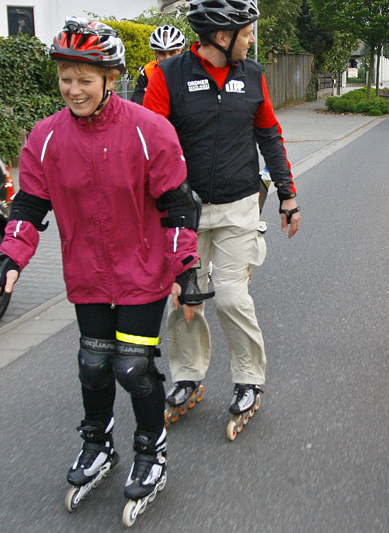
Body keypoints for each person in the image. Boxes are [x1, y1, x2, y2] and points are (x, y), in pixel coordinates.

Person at [0, 17, 208, 520]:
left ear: (111, 78)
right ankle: (98, 444)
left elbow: (178, 206)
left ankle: (151, 452)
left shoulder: (150, 130)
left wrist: (185, 270)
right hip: (86, 274)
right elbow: (28, 207)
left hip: (143, 272)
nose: (73, 89)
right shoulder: (45, 137)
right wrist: (9, 258)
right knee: (93, 364)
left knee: (133, 367)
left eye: (85, 79)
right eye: (66, 78)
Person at [143, 0, 300, 430]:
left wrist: (288, 195)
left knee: (232, 297)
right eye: (247, 33)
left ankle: (249, 379)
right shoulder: (168, 76)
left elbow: (270, 135)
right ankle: (188, 377)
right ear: (221, 36)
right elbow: (149, 146)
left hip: (238, 205)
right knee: (185, 298)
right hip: (183, 212)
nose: (252, 40)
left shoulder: (252, 75)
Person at [130, 25, 187, 105]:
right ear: (155, 53)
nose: (167, 58)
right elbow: (138, 104)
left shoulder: (190, 69)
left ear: (180, 51)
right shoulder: (148, 72)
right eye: (162, 54)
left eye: (172, 53)